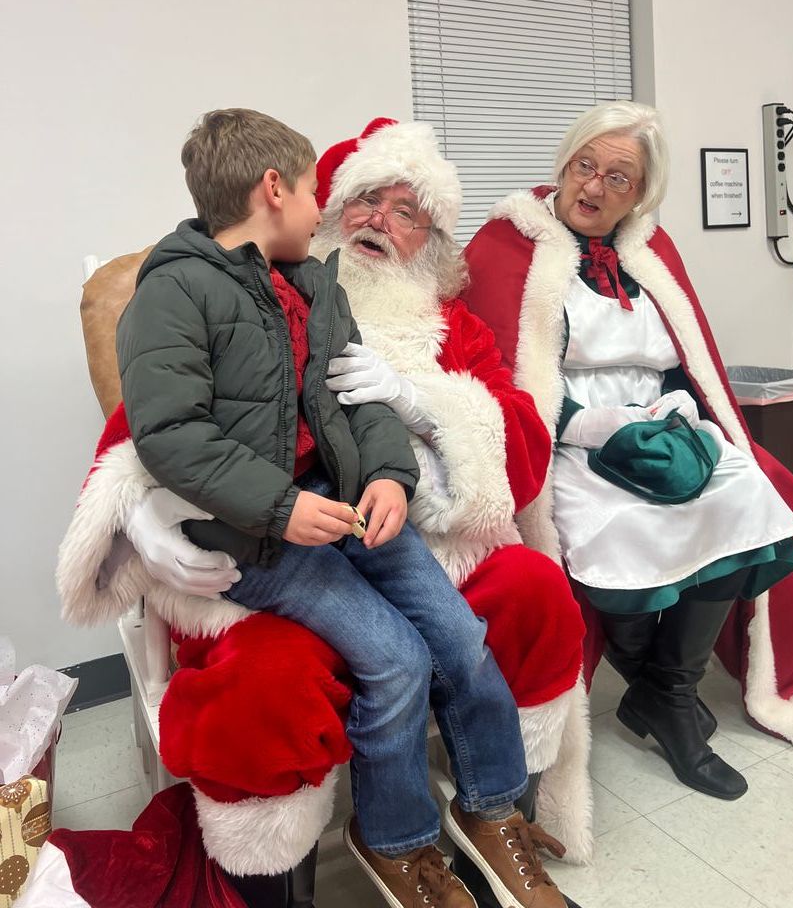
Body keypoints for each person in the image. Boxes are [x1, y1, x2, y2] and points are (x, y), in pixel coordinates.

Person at [59, 116, 587, 908]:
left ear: (433, 242)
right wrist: (138, 511)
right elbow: (154, 431)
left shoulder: (399, 311)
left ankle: (492, 815)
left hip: (388, 526)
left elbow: (514, 443)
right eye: (363, 199)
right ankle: (364, 851)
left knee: (500, 612)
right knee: (324, 669)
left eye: (406, 211)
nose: (379, 221)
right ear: (315, 203)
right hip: (269, 543)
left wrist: (415, 421)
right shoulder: (201, 291)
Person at [463, 101, 793, 797]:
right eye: (585, 166)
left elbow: (687, 358)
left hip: (663, 423)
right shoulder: (505, 244)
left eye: (618, 178)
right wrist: (592, 427)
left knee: (750, 498)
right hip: (567, 442)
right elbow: (499, 374)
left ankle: (667, 693)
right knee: (617, 533)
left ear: (641, 194)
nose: (594, 187)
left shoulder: (651, 250)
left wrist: (680, 420)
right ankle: (655, 688)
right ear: (564, 163)